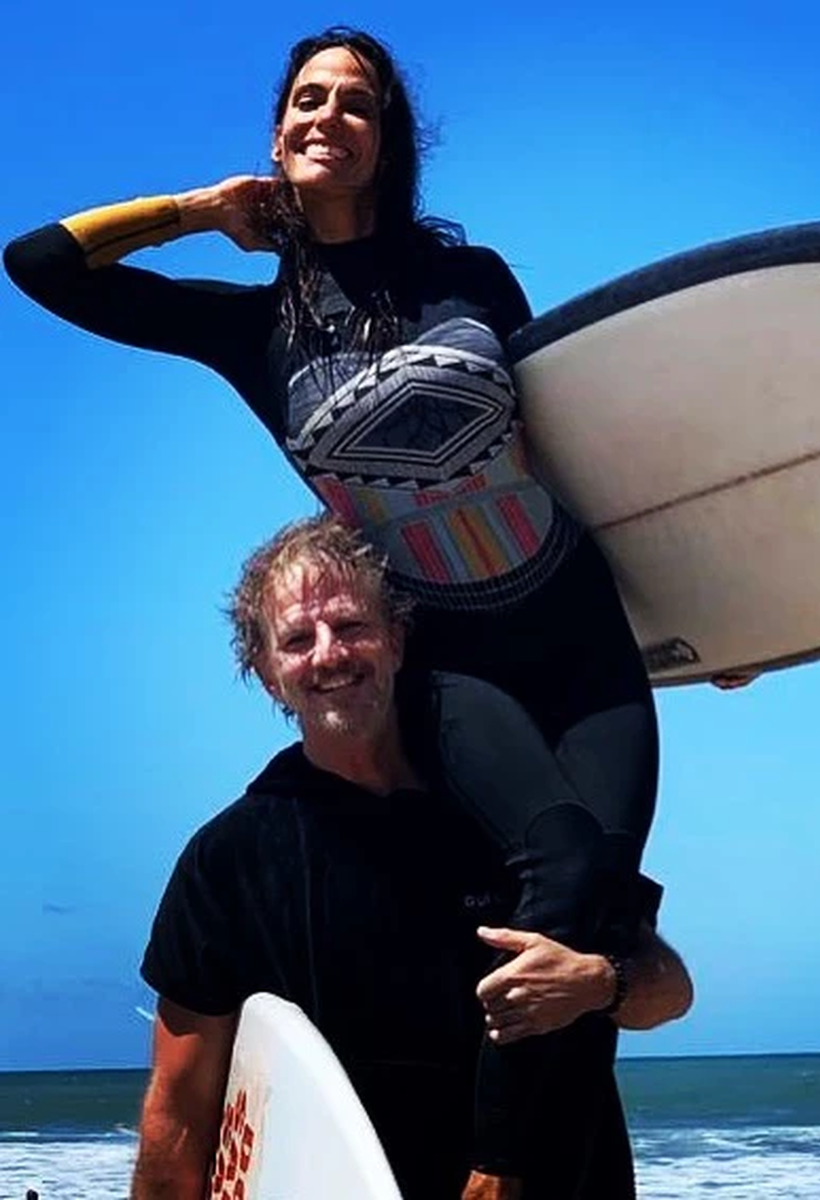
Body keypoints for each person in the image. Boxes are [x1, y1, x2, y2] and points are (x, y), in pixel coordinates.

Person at [4, 26, 663, 1193]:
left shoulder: (474, 282)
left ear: (387, 140)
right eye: (308, 100)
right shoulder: (248, 331)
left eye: (356, 104)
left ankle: (536, 1169)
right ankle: (490, 1176)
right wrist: (202, 210)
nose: (328, 118)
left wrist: (730, 620)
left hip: (579, 631)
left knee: (593, 915)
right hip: (456, 654)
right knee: (555, 871)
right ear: (278, 134)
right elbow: (41, 262)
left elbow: (581, 449)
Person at [133, 514, 692, 1200]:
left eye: (351, 626)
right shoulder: (230, 862)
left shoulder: (510, 812)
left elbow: (670, 989)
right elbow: (181, 1113)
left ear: (397, 639)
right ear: (268, 673)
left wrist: (602, 983)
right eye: (298, 640)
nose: (330, 654)